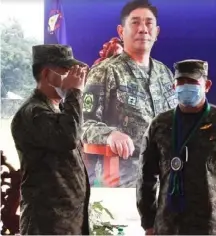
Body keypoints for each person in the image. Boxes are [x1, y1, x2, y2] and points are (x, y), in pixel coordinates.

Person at [136, 59, 216, 235]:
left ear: (206, 85)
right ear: (174, 87)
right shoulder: (160, 124)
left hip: (214, 226)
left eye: (192, 82)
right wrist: (148, 222)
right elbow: (146, 177)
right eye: (181, 82)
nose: (185, 87)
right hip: (169, 226)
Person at [82, 0, 177, 187]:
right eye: (135, 22)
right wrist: (110, 135)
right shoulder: (105, 72)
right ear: (120, 31)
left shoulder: (165, 73)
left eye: (149, 23)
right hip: (126, 177)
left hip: (169, 176)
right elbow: (83, 124)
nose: (143, 29)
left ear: (156, 32)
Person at [10, 44, 90, 235]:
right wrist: (74, 93)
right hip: (47, 223)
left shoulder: (56, 109)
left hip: (68, 220)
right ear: (47, 74)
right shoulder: (33, 112)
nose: (74, 78)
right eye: (66, 71)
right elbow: (68, 138)